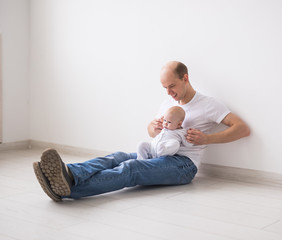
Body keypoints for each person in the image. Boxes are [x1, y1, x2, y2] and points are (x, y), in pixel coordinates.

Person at [33, 61, 250, 201]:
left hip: (183, 165)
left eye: (171, 86)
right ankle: (69, 173)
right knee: (117, 157)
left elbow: (242, 129)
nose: (168, 92)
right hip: (158, 152)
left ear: (185, 78)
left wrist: (207, 138)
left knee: (132, 168)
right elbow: (153, 133)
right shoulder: (167, 103)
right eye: (164, 87)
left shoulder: (208, 104)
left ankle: (68, 188)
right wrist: (152, 127)